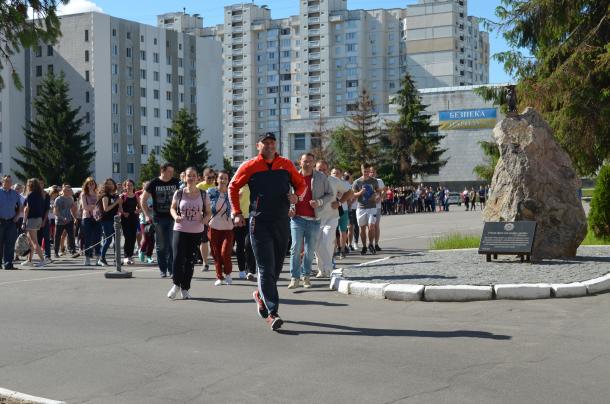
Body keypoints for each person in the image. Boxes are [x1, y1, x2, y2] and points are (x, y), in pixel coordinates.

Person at [229, 132, 306, 331]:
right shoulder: (250, 166)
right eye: (266, 143)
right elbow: (232, 186)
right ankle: (273, 313)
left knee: (276, 268)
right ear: (258, 146)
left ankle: (260, 296)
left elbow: (301, 184)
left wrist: (297, 197)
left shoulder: (286, 164)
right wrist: (236, 212)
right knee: (265, 268)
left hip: (281, 222)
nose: (270, 146)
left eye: (272, 142)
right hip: (259, 222)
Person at [287, 153, 332, 289]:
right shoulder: (294, 177)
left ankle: (306, 276)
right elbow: (287, 195)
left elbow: (330, 194)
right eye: (305, 161)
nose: (308, 164)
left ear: (313, 163)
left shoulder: (321, 177)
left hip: (314, 219)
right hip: (297, 218)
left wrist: (319, 202)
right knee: (295, 248)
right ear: (300, 162)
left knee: (309, 250)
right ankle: (294, 278)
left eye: (310, 161)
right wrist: (290, 208)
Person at [168, 167, 211, 300]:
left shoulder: (203, 194)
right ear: (185, 178)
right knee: (177, 258)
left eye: (193, 176)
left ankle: (185, 288)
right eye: (188, 176)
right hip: (180, 229)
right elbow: (172, 208)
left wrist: (205, 219)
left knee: (190, 261)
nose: (191, 178)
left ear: (197, 178)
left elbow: (209, 212)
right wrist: (175, 217)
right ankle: (176, 284)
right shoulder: (179, 193)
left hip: (196, 230)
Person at [141, 163, 181, 278]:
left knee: (172, 244)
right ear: (162, 171)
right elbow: (143, 199)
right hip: (158, 218)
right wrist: (147, 215)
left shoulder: (176, 182)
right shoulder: (153, 183)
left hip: (173, 217)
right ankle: (162, 269)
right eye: (169, 171)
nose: (171, 174)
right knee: (161, 245)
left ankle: (172, 269)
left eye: (172, 172)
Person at [315, 162, 352, 278]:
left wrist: (340, 202)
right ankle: (321, 269)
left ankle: (328, 268)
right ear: (315, 169)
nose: (322, 172)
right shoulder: (311, 180)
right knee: (317, 245)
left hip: (332, 217)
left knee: (327, 242)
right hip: (315, 218)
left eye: (324, 169)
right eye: (319, 169)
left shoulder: (334, 180)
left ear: (328, 170)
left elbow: (349, 191)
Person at [208, 170, 235, 286]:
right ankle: (219, 277)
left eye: (225, 178)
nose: (223, 180)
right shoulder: (211, 192)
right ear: (216, 180)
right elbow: (206, 207)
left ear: (228, 180)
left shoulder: (232, 193)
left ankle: (228, 274)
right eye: (221, 178)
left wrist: (235, 214)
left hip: (228, 227)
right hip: (213, 226)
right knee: (216, 253)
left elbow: (235, 208)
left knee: (225, 252)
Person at [352, 164, 380, 255]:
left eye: (368, 171)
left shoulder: (374, 181)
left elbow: (378, 190)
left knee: (371, 227)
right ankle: (364, 246)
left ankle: (370, 244)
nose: (367, 173)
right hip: (361, 208)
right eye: (365, 171)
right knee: (362, 229)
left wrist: (376, 196)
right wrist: (360, 192)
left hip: (372, 207)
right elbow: (353, 195)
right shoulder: (357, 182)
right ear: (362, 170)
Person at [233, 184, 256, 281]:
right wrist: (237, 197)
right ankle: (241, 269)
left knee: (249, 244)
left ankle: (250, 271)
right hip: (239, 217)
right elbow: (231, 202)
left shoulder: (254, 185)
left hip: (251, 218)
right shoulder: (236, 186)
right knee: (240, 245)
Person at [22, 178, 46, 267]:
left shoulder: (30, 195)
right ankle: (29, 260)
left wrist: (24, 222)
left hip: (32, 219)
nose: (27, 186)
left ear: (31, 186)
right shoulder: (40, 195)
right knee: (30, 240)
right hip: (38, 219)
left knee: (34, 241)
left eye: (28, 185)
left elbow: (26, 210)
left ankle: (42, 260)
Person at [0, 175, 23, 270]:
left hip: (11, 221)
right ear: (2, 182)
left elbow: (20, 206)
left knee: (10, 243)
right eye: (6, 181)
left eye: (10, 181)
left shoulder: (15, 193)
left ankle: (8, 264)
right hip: (0, 221)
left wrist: (17, 216)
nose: (8, 183)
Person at [98, 178, 122, 266]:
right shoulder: (105, 196)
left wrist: (120, 204)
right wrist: (116, 203)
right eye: (108, 184)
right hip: (106, 220)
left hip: (115, 220)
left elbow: (119, 208)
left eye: (111, 183)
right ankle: (101, 258)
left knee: (117, 240)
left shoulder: (115, 196)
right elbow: (106, 209)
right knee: (108, 240)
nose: (110, 185)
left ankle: (117, 259)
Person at [196, 168, 216, 272]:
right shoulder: (199, 187)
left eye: (213, 177)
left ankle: (218, 262)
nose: (212, 179)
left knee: (215, 241)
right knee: (204, 241)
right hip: (203, 217)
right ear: (204, 177)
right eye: (209, 177)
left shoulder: (216, 186)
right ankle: (205, 262)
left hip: (215, 217)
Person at [331, 168, 352, 258]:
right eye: (334, 173)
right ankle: (334, 250)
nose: (335, 174)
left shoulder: (345, 183)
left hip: (343, 210)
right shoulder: (328, 182)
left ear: (341, 174)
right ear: (331, 174)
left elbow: (350, 194)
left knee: (342, 230)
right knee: (332, 231)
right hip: (332, 210)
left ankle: (343, 249)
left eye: (337, 173)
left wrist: (342, 197)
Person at [80, 177, 101, 266]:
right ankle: (87, 257)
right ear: (86, 185)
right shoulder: (83, 194)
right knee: (87, 238)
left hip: (97, 217)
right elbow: (85, 207)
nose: (91, 185)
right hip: (87, 217)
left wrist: (92, 206)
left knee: (97, 238)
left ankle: (98, 257)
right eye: (89, 183)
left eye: (93, 183)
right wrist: (94, 206)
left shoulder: (98, 194)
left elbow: (100, 206)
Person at [53, 184, 77, 258]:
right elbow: (55, 212)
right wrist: (62, 218)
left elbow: (71, 209)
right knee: (57, 237)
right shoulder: (58, 199)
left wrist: (74, 217)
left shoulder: (71, 199)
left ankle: (73, 251)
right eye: (65, 190)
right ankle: (56, 252)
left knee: (71, 236)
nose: (68, 191)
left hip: (69, 220)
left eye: (69, 190)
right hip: (60, 221)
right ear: (63, 190)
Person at [120, 179, 140, 265]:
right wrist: (123, 213)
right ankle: (126, 256)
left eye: (131, 185)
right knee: (127, 237)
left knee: (133, 238)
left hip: (134, 218)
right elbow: (119, 207)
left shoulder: (136, 196)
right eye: (127, 185)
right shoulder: (122, 196)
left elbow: (140, 206)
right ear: (125, 186)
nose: (129, 186)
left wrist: (138, 211)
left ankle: (130, 256)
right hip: (125, 219)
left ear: (133, 186)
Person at [138, 181, 155, 264]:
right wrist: (148, 208)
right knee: (145, 238)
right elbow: (141, 208)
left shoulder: (154, 196)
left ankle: (149, 256)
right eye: (146, 186)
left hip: (153, 219)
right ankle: (142, 250)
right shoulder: (141, 197)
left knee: (152, 239)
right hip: (144, 220)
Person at [36, 179, 52, 261]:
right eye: (39, 183)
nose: (40, 185)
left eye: (42, 183)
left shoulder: (47, 195)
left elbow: (47, 209)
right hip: (35, 219)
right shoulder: (34, 195)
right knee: (37, 239)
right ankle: (39, 256)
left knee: (46, 238)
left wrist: (44, 220)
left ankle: (47, 255)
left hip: (44, 219)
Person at [369, 167, 385, 251]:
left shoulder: (379, 181)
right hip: (368, 206)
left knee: (376, 225)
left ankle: (376, 244)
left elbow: (384, 190)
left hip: (377, 207)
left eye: (373, 172)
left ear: (376, 173)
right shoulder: (366, 181)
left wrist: (380, 197)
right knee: (369, 226)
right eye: (370, 172)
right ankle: (370, 243)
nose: (372, 173)